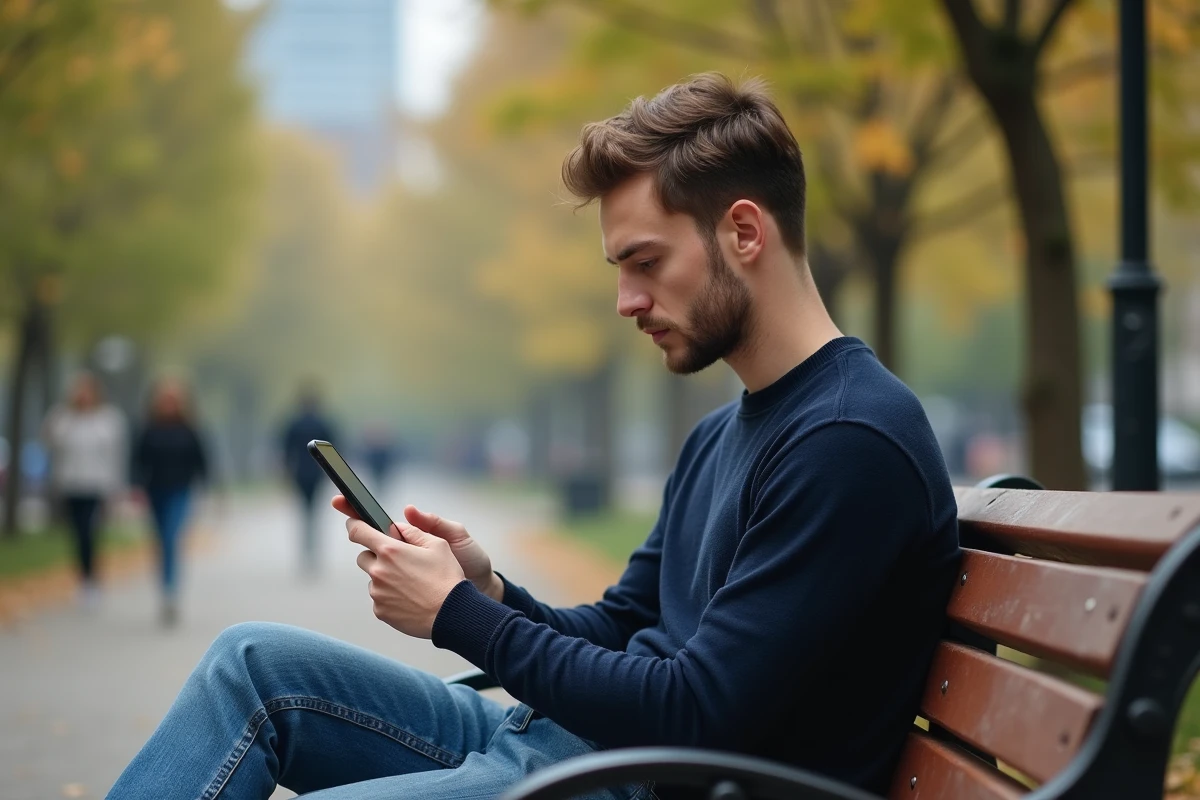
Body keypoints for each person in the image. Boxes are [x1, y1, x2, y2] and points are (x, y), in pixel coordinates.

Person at [107, 74, 960, 800]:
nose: (626, 301)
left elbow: (699, 709)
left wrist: (456, 620)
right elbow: (626, 625)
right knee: (249, 663)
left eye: (646, 262)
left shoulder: (848, 442)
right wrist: (489, 592)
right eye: (620, 270)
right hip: (579, 750)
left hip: (633, 778)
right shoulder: (723, 434)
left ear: (743, 232)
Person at [43, 372, 127, 608]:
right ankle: (84, 578)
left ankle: (91, 580)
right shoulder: (63, 417)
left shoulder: (108, 419)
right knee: (76, 533)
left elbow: (115, 456)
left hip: (97, 485)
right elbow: (51, 441)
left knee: (89, 533)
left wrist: (115, 488)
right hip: (70, 484)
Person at [131, 377, 209, 626]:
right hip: (155, 491)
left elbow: (202, 461)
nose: (168, 404)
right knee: (160, 541)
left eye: (173, 400)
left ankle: (170, 591)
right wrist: (136, 487)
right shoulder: (148, 429)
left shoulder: (190, 430)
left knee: (171, 537)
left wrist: (208, 489)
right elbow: (137, 460)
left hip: (181, 491)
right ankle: (165, 587)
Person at [280, 383, 338, 575]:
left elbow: (286, 452)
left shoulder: (293, 424)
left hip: (299, 473)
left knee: (305, 514)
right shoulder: (324, 423)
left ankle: (306, 550)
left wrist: (285, 473)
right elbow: (333, 450)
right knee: (314, 514)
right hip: (318, 473)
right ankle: (312, 551)